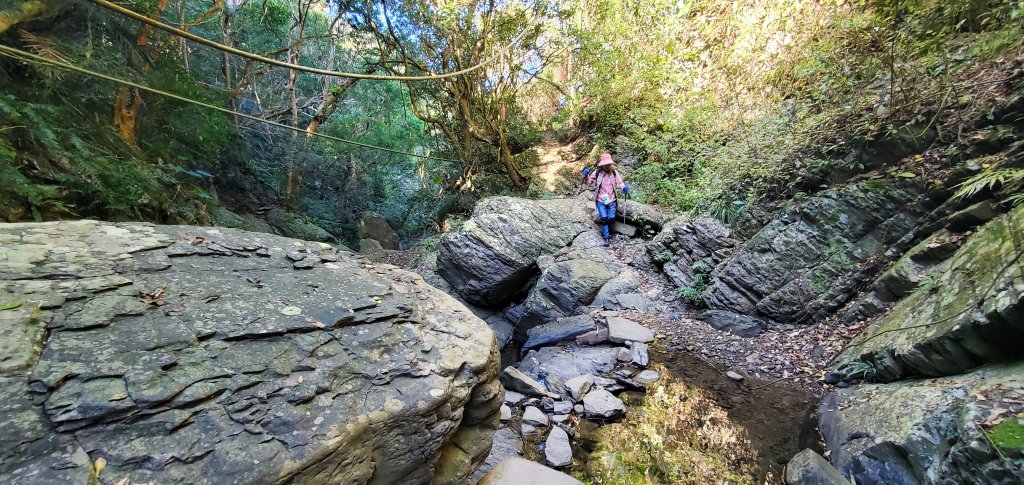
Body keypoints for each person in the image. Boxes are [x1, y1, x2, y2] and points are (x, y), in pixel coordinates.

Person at [583, 153, 630, 247]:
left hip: (612, 200)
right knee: (604, 218)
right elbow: (588, 183)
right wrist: (586, 176)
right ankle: (606, 237)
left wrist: (624, 187)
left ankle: (606, 229)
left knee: (611, 218)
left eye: (608, 164)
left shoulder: (614, 172)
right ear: (602, 165)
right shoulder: (597, 173)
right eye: (605, 164)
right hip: (600, 200)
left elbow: (620, 183)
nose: (607, 165)